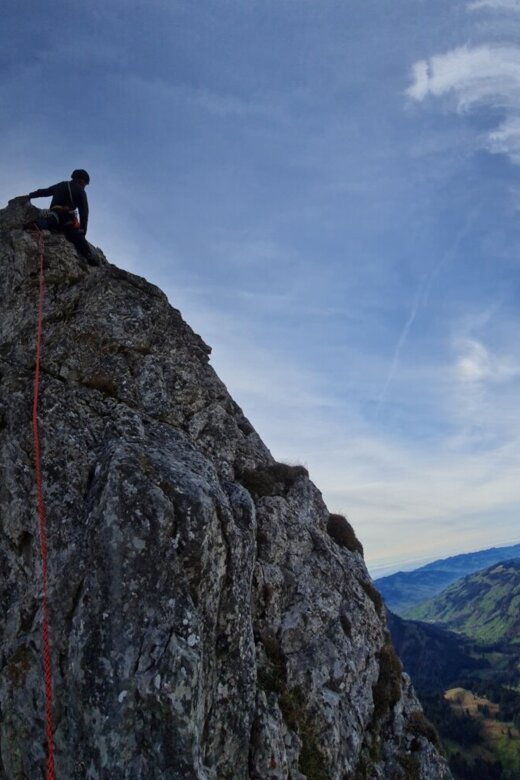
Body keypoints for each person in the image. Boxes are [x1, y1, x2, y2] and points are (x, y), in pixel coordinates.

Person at [22, 169, 98, 266]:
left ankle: (36, 224)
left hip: (54, 213)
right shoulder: (80, 190)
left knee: (51, 222)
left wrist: (30, 195)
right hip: (67, 219)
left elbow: (45, 191)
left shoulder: (60, 185)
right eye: (85, 183)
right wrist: (83, 230)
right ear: (81, 180)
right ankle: (89, 255)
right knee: (76, 235)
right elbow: (84, 212)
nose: (85, 186)